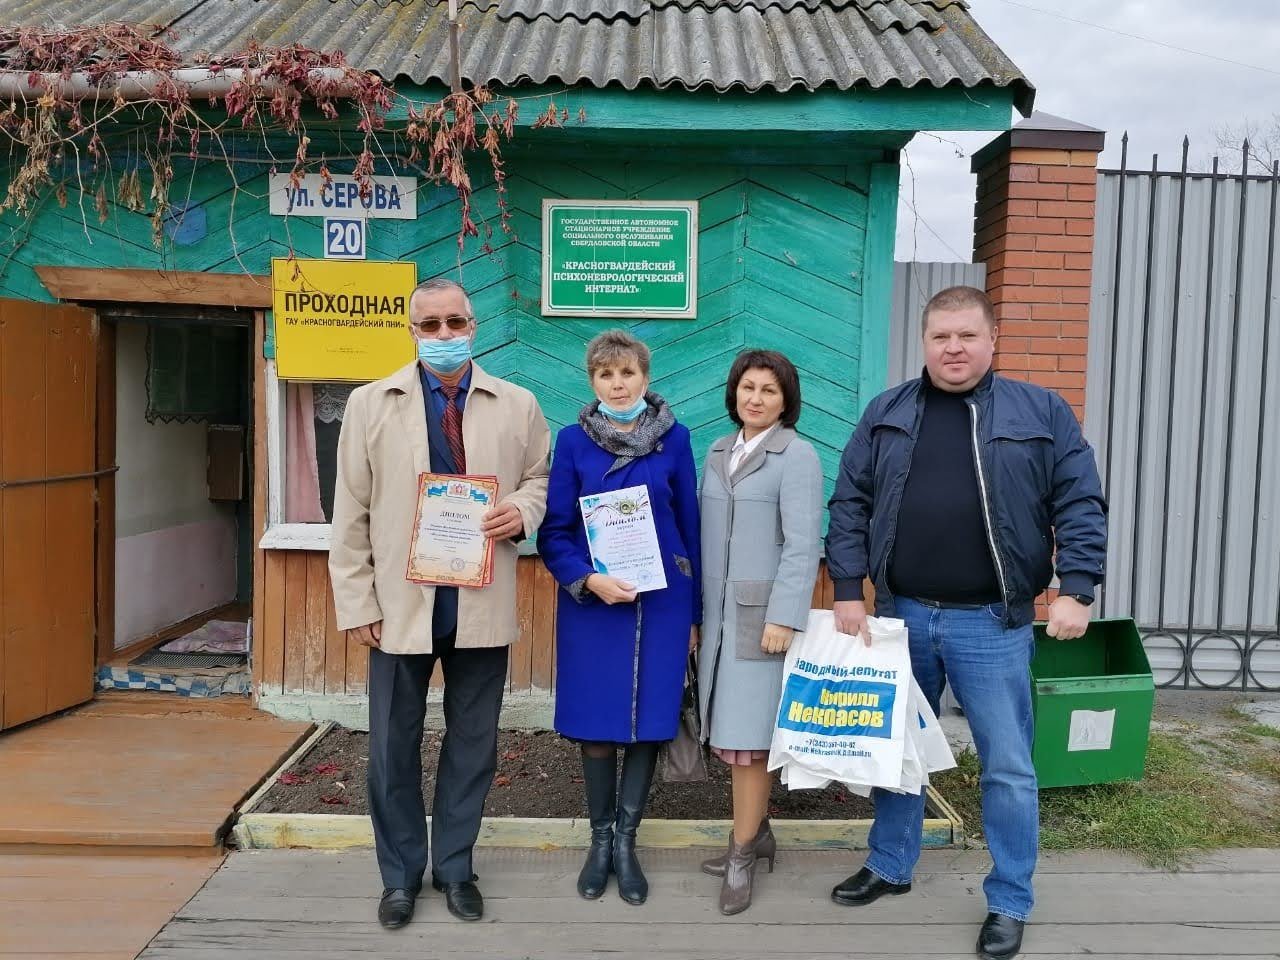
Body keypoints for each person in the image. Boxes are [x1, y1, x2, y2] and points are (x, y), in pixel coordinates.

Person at [824, 285, 1107, 960]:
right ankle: (890, 864)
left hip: (993, 621)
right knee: (896, 752)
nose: (954, 347)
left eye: (967, 335)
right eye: (941, 336)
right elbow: (849, 501)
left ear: (992, 339)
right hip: (902, 617)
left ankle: (1009, 899)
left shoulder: (1040, 411)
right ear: (924, 342)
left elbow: (1080, 500)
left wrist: (1078, 586)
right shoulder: (887, 411)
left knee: (1008, 766)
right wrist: (846, 587)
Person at [328, 278, 551, 928]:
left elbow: (539, 477)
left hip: (481, 605)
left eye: (456, 322)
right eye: (432, 325)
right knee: (392, 748)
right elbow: (350, 514)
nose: (445, 335)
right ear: (412, 331)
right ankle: (400, 877)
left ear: (473, 324)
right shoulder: (372, 405)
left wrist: (520, 510)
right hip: (400, 608)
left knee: (474, 745)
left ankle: (455, 868)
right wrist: (358, 602)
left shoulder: (517, 404)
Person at [538, 329, 701, 906]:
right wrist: (586, 578)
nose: (618, 382)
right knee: (596, 722)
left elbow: (691, 524)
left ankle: (628, 842)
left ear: (645, 378)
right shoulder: (573, 442)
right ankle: (600, 841)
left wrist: (695, 610)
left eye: (627, 372)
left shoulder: (676, 440)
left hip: (662, 602)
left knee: (650, 721)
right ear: (592, 382)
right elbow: (553, 531)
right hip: (595, 605)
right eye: (606, 374)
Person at [695, 349, 822, 915]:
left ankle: (742, 851)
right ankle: (757, 833)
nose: (756, 398)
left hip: (759, 619)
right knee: (731, 735)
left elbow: (802, 545)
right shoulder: (717, 451)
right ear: (734, 392)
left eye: (769, 390)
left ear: (785, 400)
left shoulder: (796, 455)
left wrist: (784, 616)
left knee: (748, 745)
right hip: (718, 619)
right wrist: (698, 616)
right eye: (748, 387)